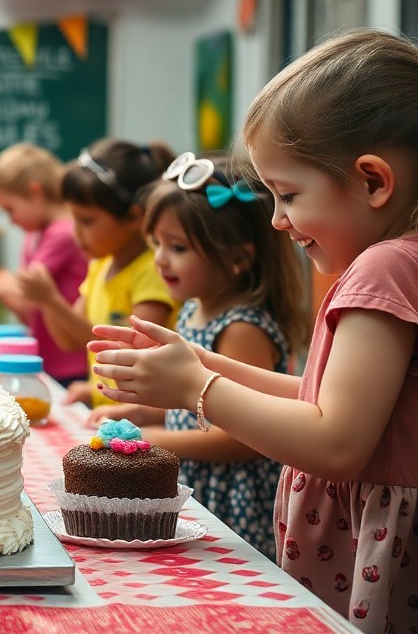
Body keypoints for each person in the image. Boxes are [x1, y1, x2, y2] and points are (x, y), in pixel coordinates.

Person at [89, 30, 418, 632]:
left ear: (374, 181)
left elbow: (336, 443)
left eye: (289, 194)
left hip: (384, 547)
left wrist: (198, 389)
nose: (277, 220)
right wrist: (204, 362)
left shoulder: (389, 269)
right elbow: (321, 396)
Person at [89, 152, 309, 560]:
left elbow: (242, 439)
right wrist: (146, 415)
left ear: (238, 257)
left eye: (177, 247)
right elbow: (198, 404)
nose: (159, 258)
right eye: (156, 242)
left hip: (231, 496)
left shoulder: (242, 327)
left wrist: (158, 440)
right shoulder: (192, 309)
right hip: (195, 476)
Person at [17, 139, 178, 406]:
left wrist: (51, 300)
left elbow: (129, 352)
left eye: (87, 220)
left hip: (143, 423)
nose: (75, 230)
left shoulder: (152, 270)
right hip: (111, 416)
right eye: (73, 218)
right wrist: (47, 300)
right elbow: (69, 340)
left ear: (133, 218)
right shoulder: (100, 266)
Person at [0, 142, 89, 386]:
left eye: (11, 209)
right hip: (50, 359)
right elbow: (33, 310)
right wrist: (5, 294)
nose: (11, 220)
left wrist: (10, 286)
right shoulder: (34, 236)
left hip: (70, 362)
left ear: (35, 192)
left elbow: (30, 289)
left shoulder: (62, 232)